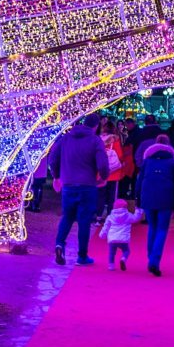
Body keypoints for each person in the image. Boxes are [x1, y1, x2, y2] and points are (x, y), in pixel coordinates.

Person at [48, 113, 109, 266]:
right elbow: (102, 164)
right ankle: (82, 256)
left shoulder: (66, 138)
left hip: (68, 184)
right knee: (84, 221)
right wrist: (103, 177)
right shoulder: (95, 140)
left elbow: (53, 158)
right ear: (96, 126)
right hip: (87, 185)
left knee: (67, 216)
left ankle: (59, 244)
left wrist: (56, 176)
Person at [136, 133, 174, 276]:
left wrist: (138, 200)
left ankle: (151, 257)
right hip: (166, 198)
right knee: (162, 229)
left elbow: (140, 181)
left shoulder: (147, 162)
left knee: (152, 227)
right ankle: (154, 260)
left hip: (148, 197)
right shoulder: (172, 163)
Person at [99, 198, 144, 270]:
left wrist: (102, 235)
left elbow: (106, 227)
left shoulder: (110, 217)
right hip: (123, 239)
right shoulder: (128, 215)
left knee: (112, 253)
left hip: (112, 239)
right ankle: (123, 259)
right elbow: (136, 218)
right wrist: (138, 209)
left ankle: (111, 266)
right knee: (126, 251)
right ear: (125, 207)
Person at [26, 147, 51, 212]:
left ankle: (32, 204)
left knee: (32, 187)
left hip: (33, 170)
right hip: (42, 170)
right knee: (38, 187)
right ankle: (36, 205)